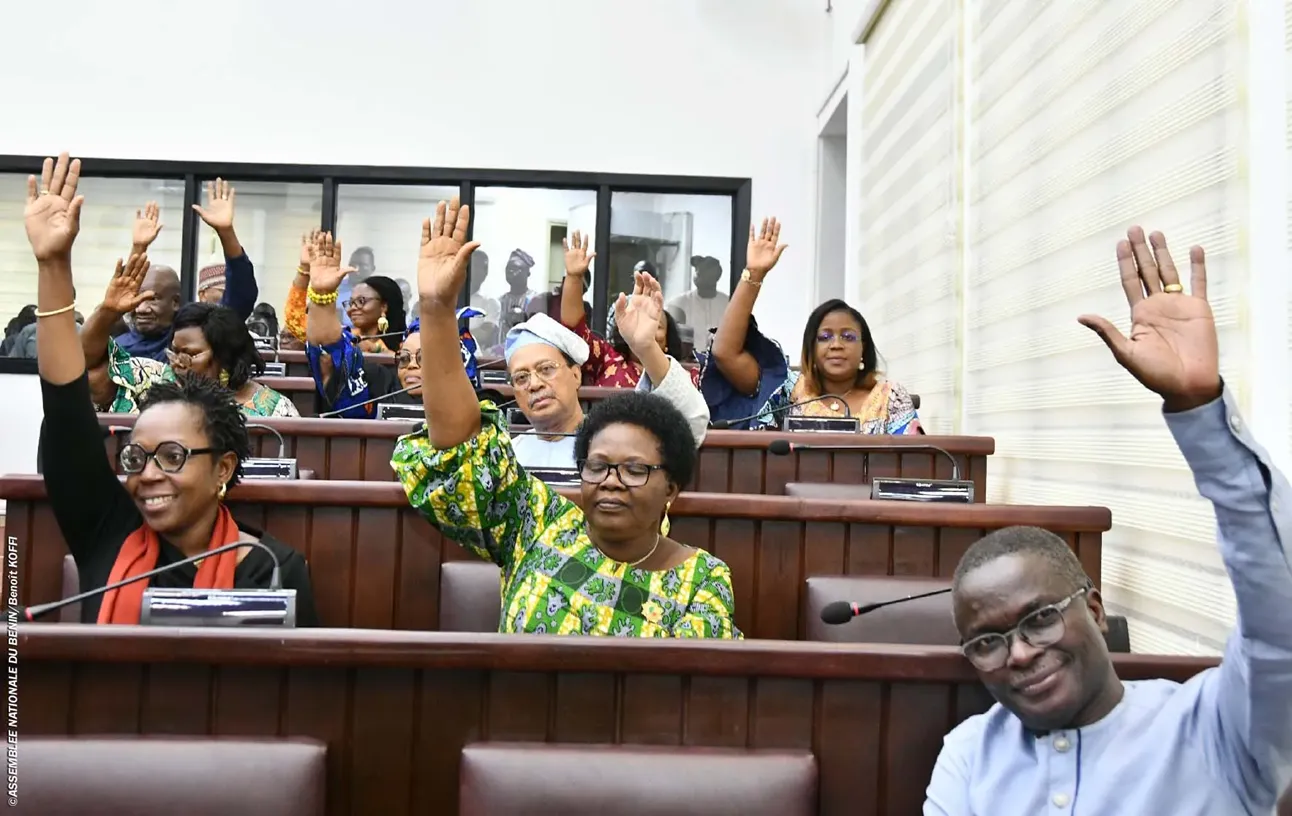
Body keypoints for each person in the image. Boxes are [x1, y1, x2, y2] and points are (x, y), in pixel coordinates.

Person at [923, 227, 1292, 815]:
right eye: (987, 643)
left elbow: (1279, 620)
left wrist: (1200, 412)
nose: (1018, 655)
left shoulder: (1215, 727)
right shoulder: (970, 757)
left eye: (1039, 620)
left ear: (1093, 610)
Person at [392, 196, 739, 638]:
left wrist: (648, 348)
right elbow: (463, 452)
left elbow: (691, 692)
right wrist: (436, 311)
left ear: (671, 488)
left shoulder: (701, 580)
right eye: (597, 466)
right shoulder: (537, 524)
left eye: (634, 469)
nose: (611, 479)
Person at [24, 152, 317, 626]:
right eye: (137, 458)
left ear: (223, 468)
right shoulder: (106, 532)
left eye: (173, 456)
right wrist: (53, 265)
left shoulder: (275, 570)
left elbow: (293, 695)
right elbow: (65, 408)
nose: (149, 474)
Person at [703, 217, 920, 433]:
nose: (836, 344)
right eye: (825, 337)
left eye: (848, 336)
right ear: (811, 350)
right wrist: (755, 274)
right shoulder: (788, 391)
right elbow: (725, 353)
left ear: (864, 348)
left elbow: (914, 460)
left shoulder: (890, 397)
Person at [504, 271, 710, 470]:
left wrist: (646, 347)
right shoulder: (507, 458)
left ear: (576, 375)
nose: (534, 384)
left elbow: (690, 425)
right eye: (521, 378)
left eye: (546, 369)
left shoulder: (614, 440)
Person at [79, 254, 298, 417]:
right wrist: (108, 312)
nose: (177, 363)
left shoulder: (274, 409)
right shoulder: (153, 380)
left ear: (224, 356)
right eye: (174, 352)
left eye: (190, 354)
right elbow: (85, 362)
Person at [293, 231, 481, 418]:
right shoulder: (383, 388)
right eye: (404, 359)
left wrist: (440, 300)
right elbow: (328, 360)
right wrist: (322, 295)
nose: (411, 366)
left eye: (424, 359)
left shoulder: (469, 413)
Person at [117, 187, 258, 360]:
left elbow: (241, 296)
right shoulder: (117, 344)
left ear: (175, 302)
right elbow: (116, 300)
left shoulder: (195, 338)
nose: (141, 308)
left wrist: (226, 233)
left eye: (152, 299)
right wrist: (138, 248)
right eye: (138, 298)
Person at [559, 232, 700, 389]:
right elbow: (575, 332)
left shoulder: (689, 377)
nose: (646, 329)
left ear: (668, 340)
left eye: (657, 326)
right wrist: (574, 277)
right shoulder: (606, 360)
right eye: (639, 322)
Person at [666, 255, 729, 333]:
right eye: (696, 270)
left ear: (716, 276)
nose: (697, 274)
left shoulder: (728, 304)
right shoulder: (679, 303)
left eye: (703, 271)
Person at [497, 248, 537, 337]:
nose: (510, 271)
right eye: (508, 268)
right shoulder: (500, 301)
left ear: (528, 273)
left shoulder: (536, 300)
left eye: (516, 268)